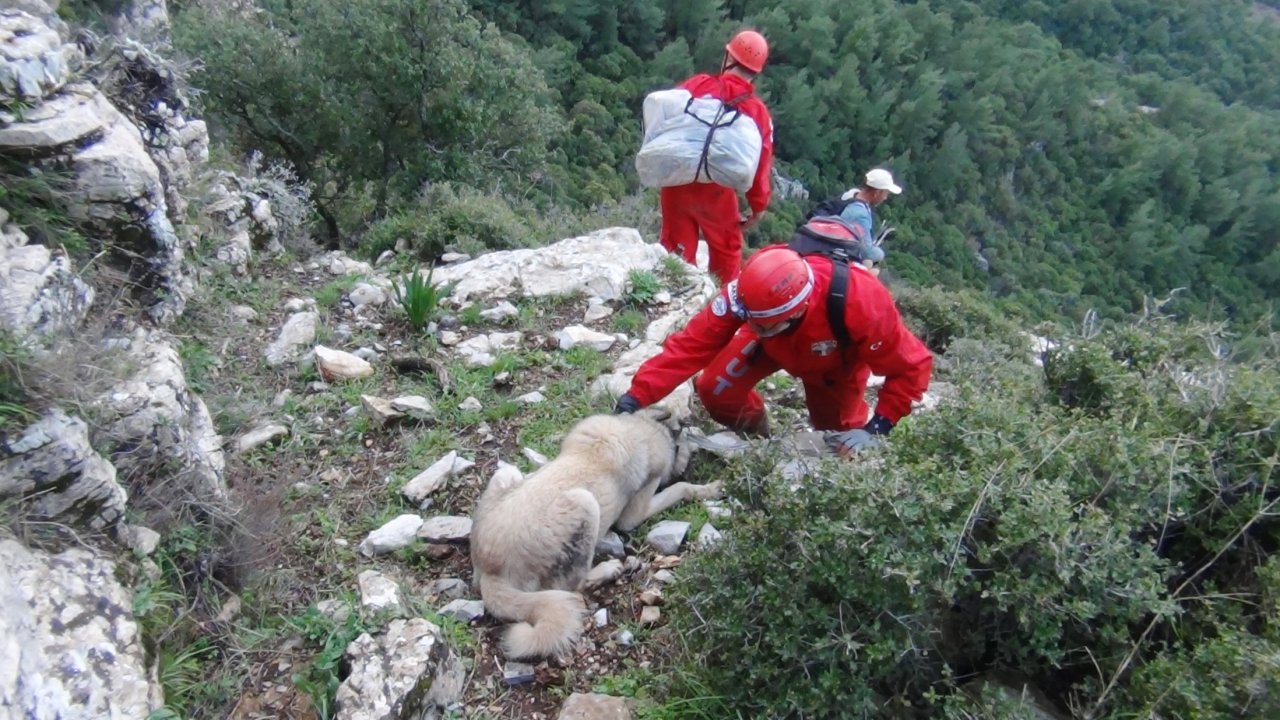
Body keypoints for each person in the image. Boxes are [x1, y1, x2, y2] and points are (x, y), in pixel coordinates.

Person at [614, 246, 932, 455]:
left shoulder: (861, 303)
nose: (749, 323)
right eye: (747, 319)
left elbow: (911, 366)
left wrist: (878, 427)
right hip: (771, 344)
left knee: (841, 445)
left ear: (798, 311)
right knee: (715, 389)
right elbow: (691, 346)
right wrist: (635, 397)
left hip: (835, 366)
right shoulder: (748, 298)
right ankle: (757, 435)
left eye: (761, 323)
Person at [658, 30, 775, 286]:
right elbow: (760, 163)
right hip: (717, 191)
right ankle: (720, 310)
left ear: (728, 57)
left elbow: (668, 121)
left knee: (676, 253)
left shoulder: (697, 85)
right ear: (756, 70)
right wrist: (757, 207)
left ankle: (674, 297)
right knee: (727, 254)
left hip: (677, 179)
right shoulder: (757, 111)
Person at [799, 167, 903, 271]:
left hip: (822, 244)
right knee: (871, 267)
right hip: (833, 256)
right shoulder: (860, 214)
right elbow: (867, 253)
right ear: (877, 193)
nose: (885, 198)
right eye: (885, 194)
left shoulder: (850, 195)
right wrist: (880, 253)